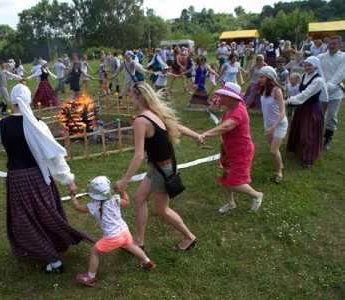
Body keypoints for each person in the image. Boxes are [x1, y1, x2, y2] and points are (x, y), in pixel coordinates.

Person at [0, 84, 94, 273]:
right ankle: (53, 245)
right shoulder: (38, 124)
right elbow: (54, 156)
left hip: (17, 179)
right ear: (28, 100)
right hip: (38, 177)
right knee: (45, 213)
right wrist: (69, 180)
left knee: (25, 218)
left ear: (12, 101)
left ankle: (52, 258)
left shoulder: (1, 125)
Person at [115, 82, 199, 251]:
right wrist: (197, 135)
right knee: (139, 199)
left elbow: (138, 155)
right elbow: (177, 127)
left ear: (139, 98)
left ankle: (189, 238)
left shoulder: (141, 121)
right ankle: (138, 240)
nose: (131, 101)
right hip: (158, 167)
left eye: (131, 97)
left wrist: (124, 181)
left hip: (162, 170)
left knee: (162, 210)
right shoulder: (155, 113)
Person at [71, 176, 155, 287]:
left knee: (93, 252)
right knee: (131, 246)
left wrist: (72, 197)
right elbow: (127, 202)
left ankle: (90, 278)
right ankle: (147, 262)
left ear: (93, 193)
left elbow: (78, 208)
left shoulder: (93, 206)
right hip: (124, 231)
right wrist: (122, 191)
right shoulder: (115, 199)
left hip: (112, 237)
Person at [198, 82, 264, 213]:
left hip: (241, 151)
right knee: (222, 177)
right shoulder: (230, 108)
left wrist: (206, 134)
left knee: (234, 182)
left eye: (224, 96)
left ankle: (256, 195)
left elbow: (227, 126)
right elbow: (223, 125)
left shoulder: (239, 110)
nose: (221, 99)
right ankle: (231, 204)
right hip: (228, 151)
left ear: (233, 97)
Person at [285, 56, 327, 168]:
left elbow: (306, 94)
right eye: (306, 65)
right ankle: (299, 149)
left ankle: (309, 158)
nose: (307, 67)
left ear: (315, 66)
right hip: (302, 107)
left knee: (310, 133)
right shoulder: (303, 76)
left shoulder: (318, 80)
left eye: (310, 65)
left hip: (312, 108)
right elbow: (300, 91)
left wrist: (289, 101)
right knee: (300, 129)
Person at [258, 66, 288, 183]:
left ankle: (279, 171)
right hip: (268, 124)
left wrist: (273, 127)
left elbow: (282, 112)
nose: (259, 79)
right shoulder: (264, 90)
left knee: (273, 150)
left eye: (262, 77)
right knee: (274, 150)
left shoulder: (277, 91)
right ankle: (280, 163)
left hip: (279, 124)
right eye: (259, 76)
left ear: (269, 77)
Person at [318, 35, 345, 151]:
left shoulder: (343, 57)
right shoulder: (321, 57)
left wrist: (329, 85)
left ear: (340, 44)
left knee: (332, 116)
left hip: (335, 91)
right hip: (321, 91)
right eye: (330, 43)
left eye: (334, 43)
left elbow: (340, 73)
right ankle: (317, 136)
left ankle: (328, 139)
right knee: (319, 114)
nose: (332, 46)